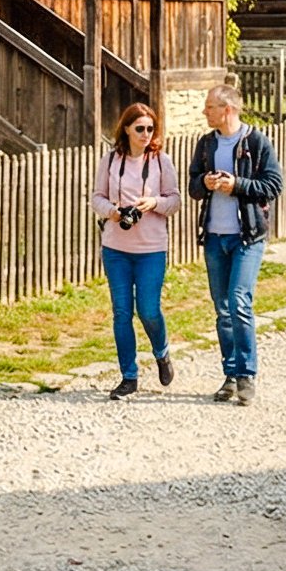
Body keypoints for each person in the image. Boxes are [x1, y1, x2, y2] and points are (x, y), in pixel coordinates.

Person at [186, 85, 282, 406]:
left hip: (248, 236)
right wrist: (206, 183)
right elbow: (193, 186)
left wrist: (237, 185)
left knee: (239, 301)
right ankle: (230, 374)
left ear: (227, 109)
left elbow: (273, 184)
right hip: (214, 236)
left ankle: (247, 375)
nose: (205, 112)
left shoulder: (256, 142)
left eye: (209, 106)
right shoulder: (206, 144)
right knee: (222, 309)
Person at [93, 101, 180, 400]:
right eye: (139, 128)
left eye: (150, 129)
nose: (146, 134)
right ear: (127, 129)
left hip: (151, 249)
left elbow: (175, 201)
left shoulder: (160, 161)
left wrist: (154, 203)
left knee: (148, 309)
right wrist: (113, 212)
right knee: (121, 313)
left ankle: (162, 352)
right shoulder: (110, 160)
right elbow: (96, 198)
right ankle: (128, 376)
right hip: (116, 247)